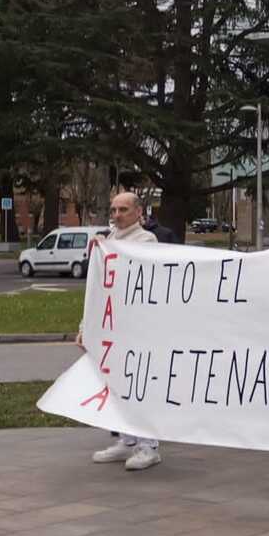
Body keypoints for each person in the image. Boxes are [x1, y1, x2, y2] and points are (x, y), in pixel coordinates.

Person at [88, 191, 162, 472]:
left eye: (123, 210)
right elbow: (97, 290)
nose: (117, 215)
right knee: (116, 385)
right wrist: (88, 327)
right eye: (114, 210)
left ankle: (148, 445)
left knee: (140, 383)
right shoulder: (108, 242)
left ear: (138, 212)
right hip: (112, 325)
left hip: (139, 326)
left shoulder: (146, 241)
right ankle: (126, 439)